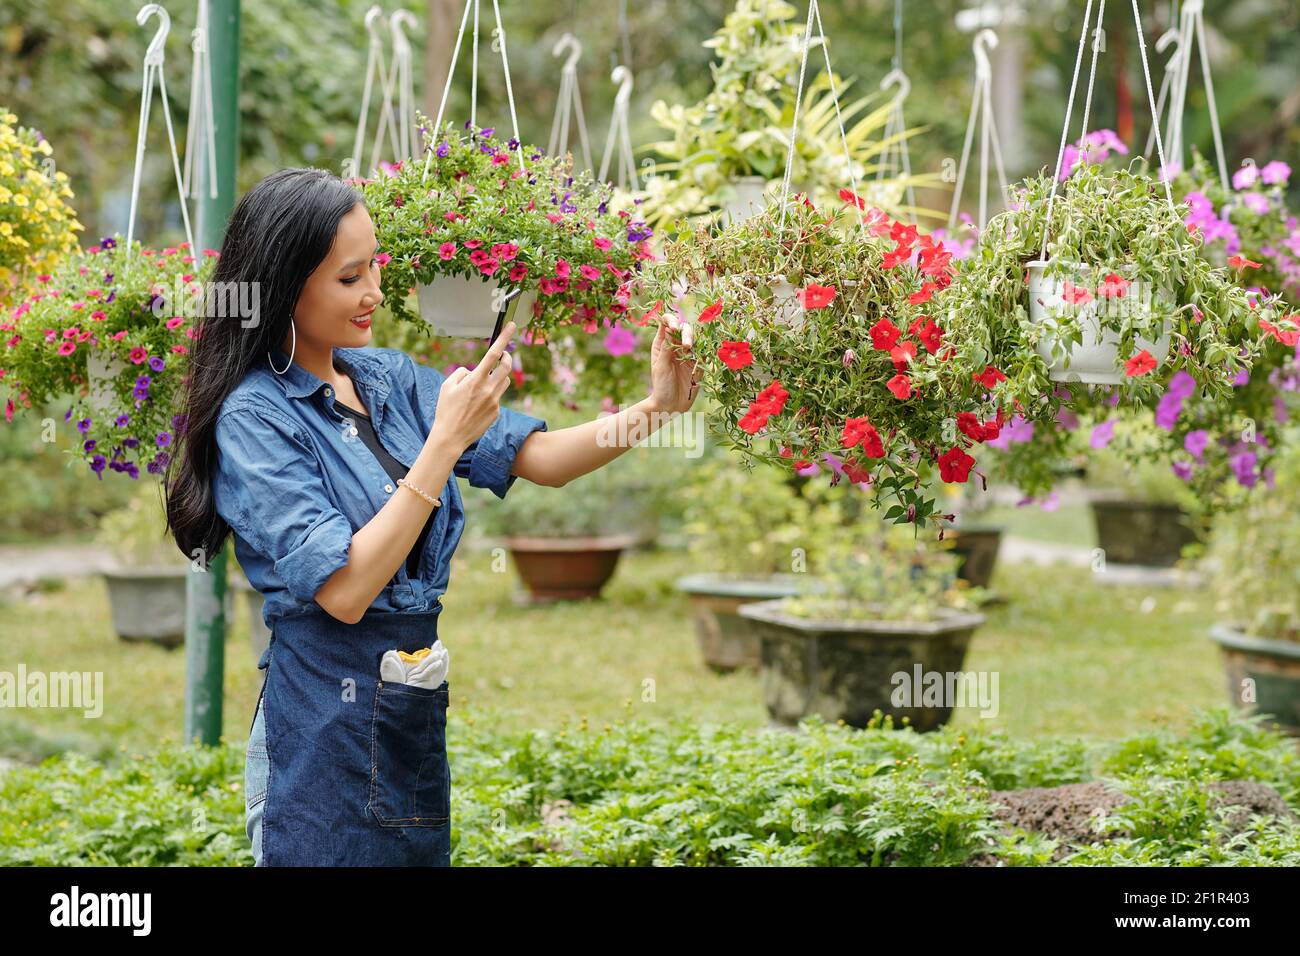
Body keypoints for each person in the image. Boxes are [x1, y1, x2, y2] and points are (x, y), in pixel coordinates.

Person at [164, 166, 700, 866]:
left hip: (409, 704)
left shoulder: (384, 378)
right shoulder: (255, 416)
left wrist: (655, 410)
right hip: (322, 720)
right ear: (287, 284)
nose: (375, 293)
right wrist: (443, 445)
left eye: (375, 269)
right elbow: (346, 589)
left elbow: (541, 458)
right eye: (350, 277)